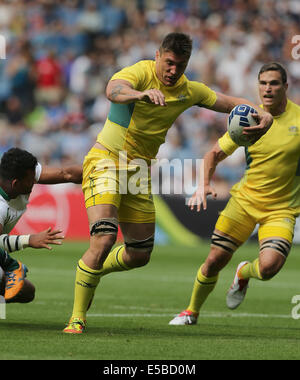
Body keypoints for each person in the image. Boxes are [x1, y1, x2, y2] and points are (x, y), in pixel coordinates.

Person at [63, 32, 273, 334]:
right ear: (158, 56)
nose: (174, 70)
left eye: (181, 65)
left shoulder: (189, 90)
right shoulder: (140, 72)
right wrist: (139, 95)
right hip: (106, 160)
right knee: (105, 237)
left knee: (139, 254)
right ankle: (77, 318)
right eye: (170, 63)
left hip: (138, 172)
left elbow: (230, 103)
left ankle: (93, 270)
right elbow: (114, 89)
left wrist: (262, 114)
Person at [169, 62, 300, 325]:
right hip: (244, 202)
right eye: (263, 83)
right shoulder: (248, 119)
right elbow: (213, 154)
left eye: (274, 83)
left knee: (268, 268)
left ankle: (244, 273)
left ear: (286, 86)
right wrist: (204, 183)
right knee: (215, 260)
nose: (268, 89)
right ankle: (191, 311)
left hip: (281, 208)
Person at [0, 147, 82, 304]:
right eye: (31, 181)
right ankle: (12, 267)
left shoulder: (19, 173)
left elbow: (67, 174)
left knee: (26, 292)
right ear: (15, 183)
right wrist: (28, 240)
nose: (35, 182)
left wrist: (107, 173)